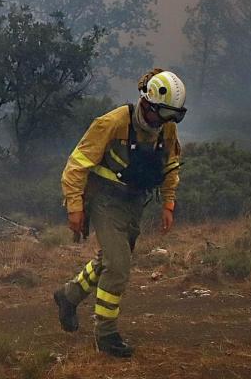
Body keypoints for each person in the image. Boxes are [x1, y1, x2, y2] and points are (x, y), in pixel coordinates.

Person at [52, 68, 186, 357]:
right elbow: (76, 166)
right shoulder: (112, 123)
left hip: (134, 202)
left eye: (172, 116)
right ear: (147, 103)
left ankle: (68, 296)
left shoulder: (167, 126)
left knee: (109, 260)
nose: (166, 122)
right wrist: (74, 207)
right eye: (162, 114)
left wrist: (168, 203)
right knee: (119, 266)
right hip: (104, 199)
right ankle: (107, 335)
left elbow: (171, 165)